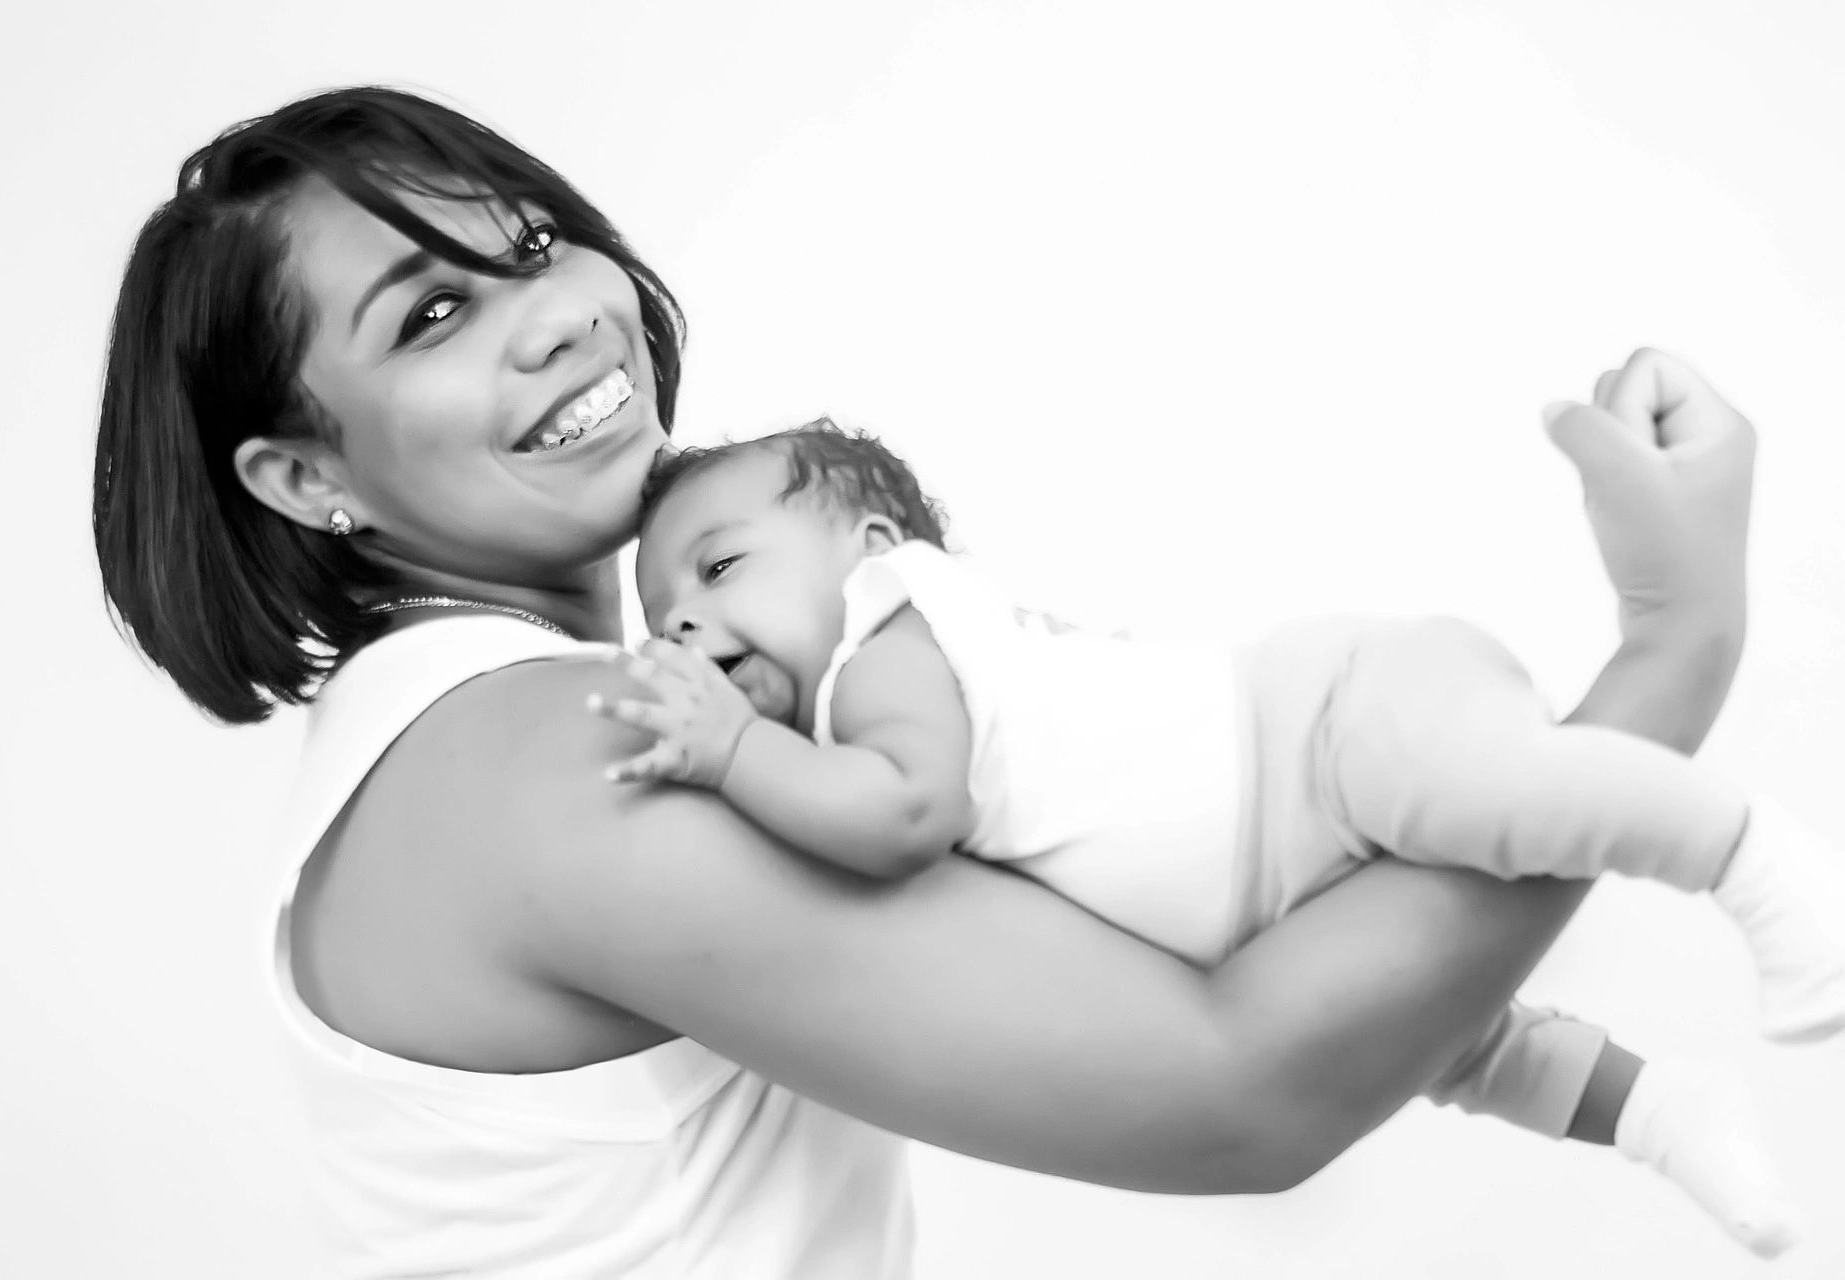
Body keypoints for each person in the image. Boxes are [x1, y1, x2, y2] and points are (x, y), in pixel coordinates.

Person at [93, 85, 1767, 1278]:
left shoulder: (476, 733)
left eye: (532, 247)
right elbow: (1236, 1095)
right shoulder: (569, 755)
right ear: (306, 485)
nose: (555, 320)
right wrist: (1674, 645)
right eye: (433, 313)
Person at [606, 415, 1845, 1256]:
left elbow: (906, 817)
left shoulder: (887, 638)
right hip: (1271, 886)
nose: (688, 626)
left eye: (719, 567)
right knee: (1453, 1044)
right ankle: (1665, 1110)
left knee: (1510, 794)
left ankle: (1747, 854)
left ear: (873, 550)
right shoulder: (849, 709)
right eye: (662, 614)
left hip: (1319, 734)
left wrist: (725, 748)